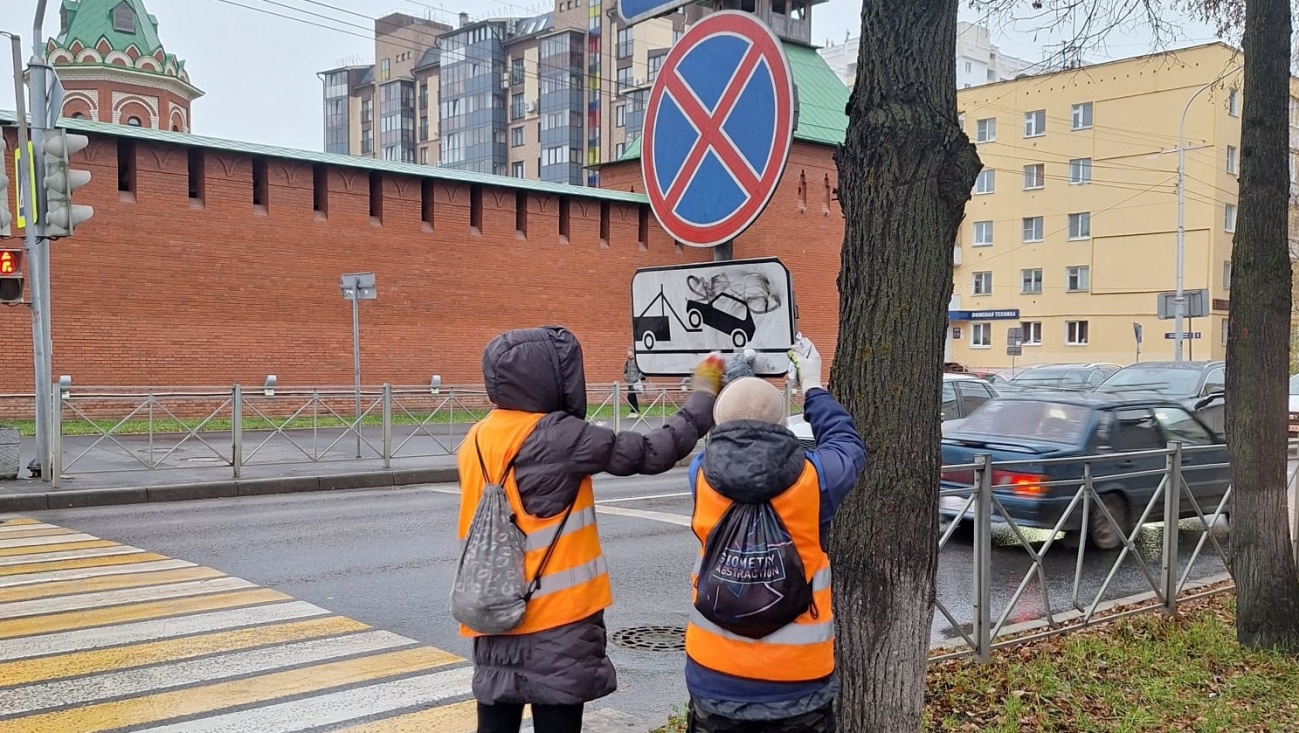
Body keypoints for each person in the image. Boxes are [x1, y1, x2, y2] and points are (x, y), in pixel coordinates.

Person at [458, 326, 725, 733]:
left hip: (493, 610)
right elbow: (653, 452)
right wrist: (703, 394)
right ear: (549, 377)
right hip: (557, 620)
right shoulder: (561, 437)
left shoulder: (476, 438)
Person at [683, 336, 866, 733]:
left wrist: (735, 385)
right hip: (797, 682)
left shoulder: (700, 474)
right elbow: (847, 444)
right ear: (783, 424)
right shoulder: (816, 479)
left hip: (714, 675)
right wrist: (812, 386)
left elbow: (734, 440)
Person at [623, 347, 645, 417]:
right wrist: (626, 378)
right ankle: (634, 410)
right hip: (629, 382)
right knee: (631, 396)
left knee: (630, 396)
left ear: (633, 353)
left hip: (635, 381)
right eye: (628, 355)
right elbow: (625, 371)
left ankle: (635, 411)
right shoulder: (627, 362)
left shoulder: (637, 361)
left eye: (630, 354)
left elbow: (642, 371)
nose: (629, 356)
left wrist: (636, 378)